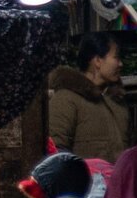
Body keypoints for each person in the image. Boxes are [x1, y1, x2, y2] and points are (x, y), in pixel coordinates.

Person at [48, 32, 130, 162]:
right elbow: (55, 151)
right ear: (97, 60)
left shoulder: (117, 102)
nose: (120, 64)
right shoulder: (66, 99)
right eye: (116, 58)